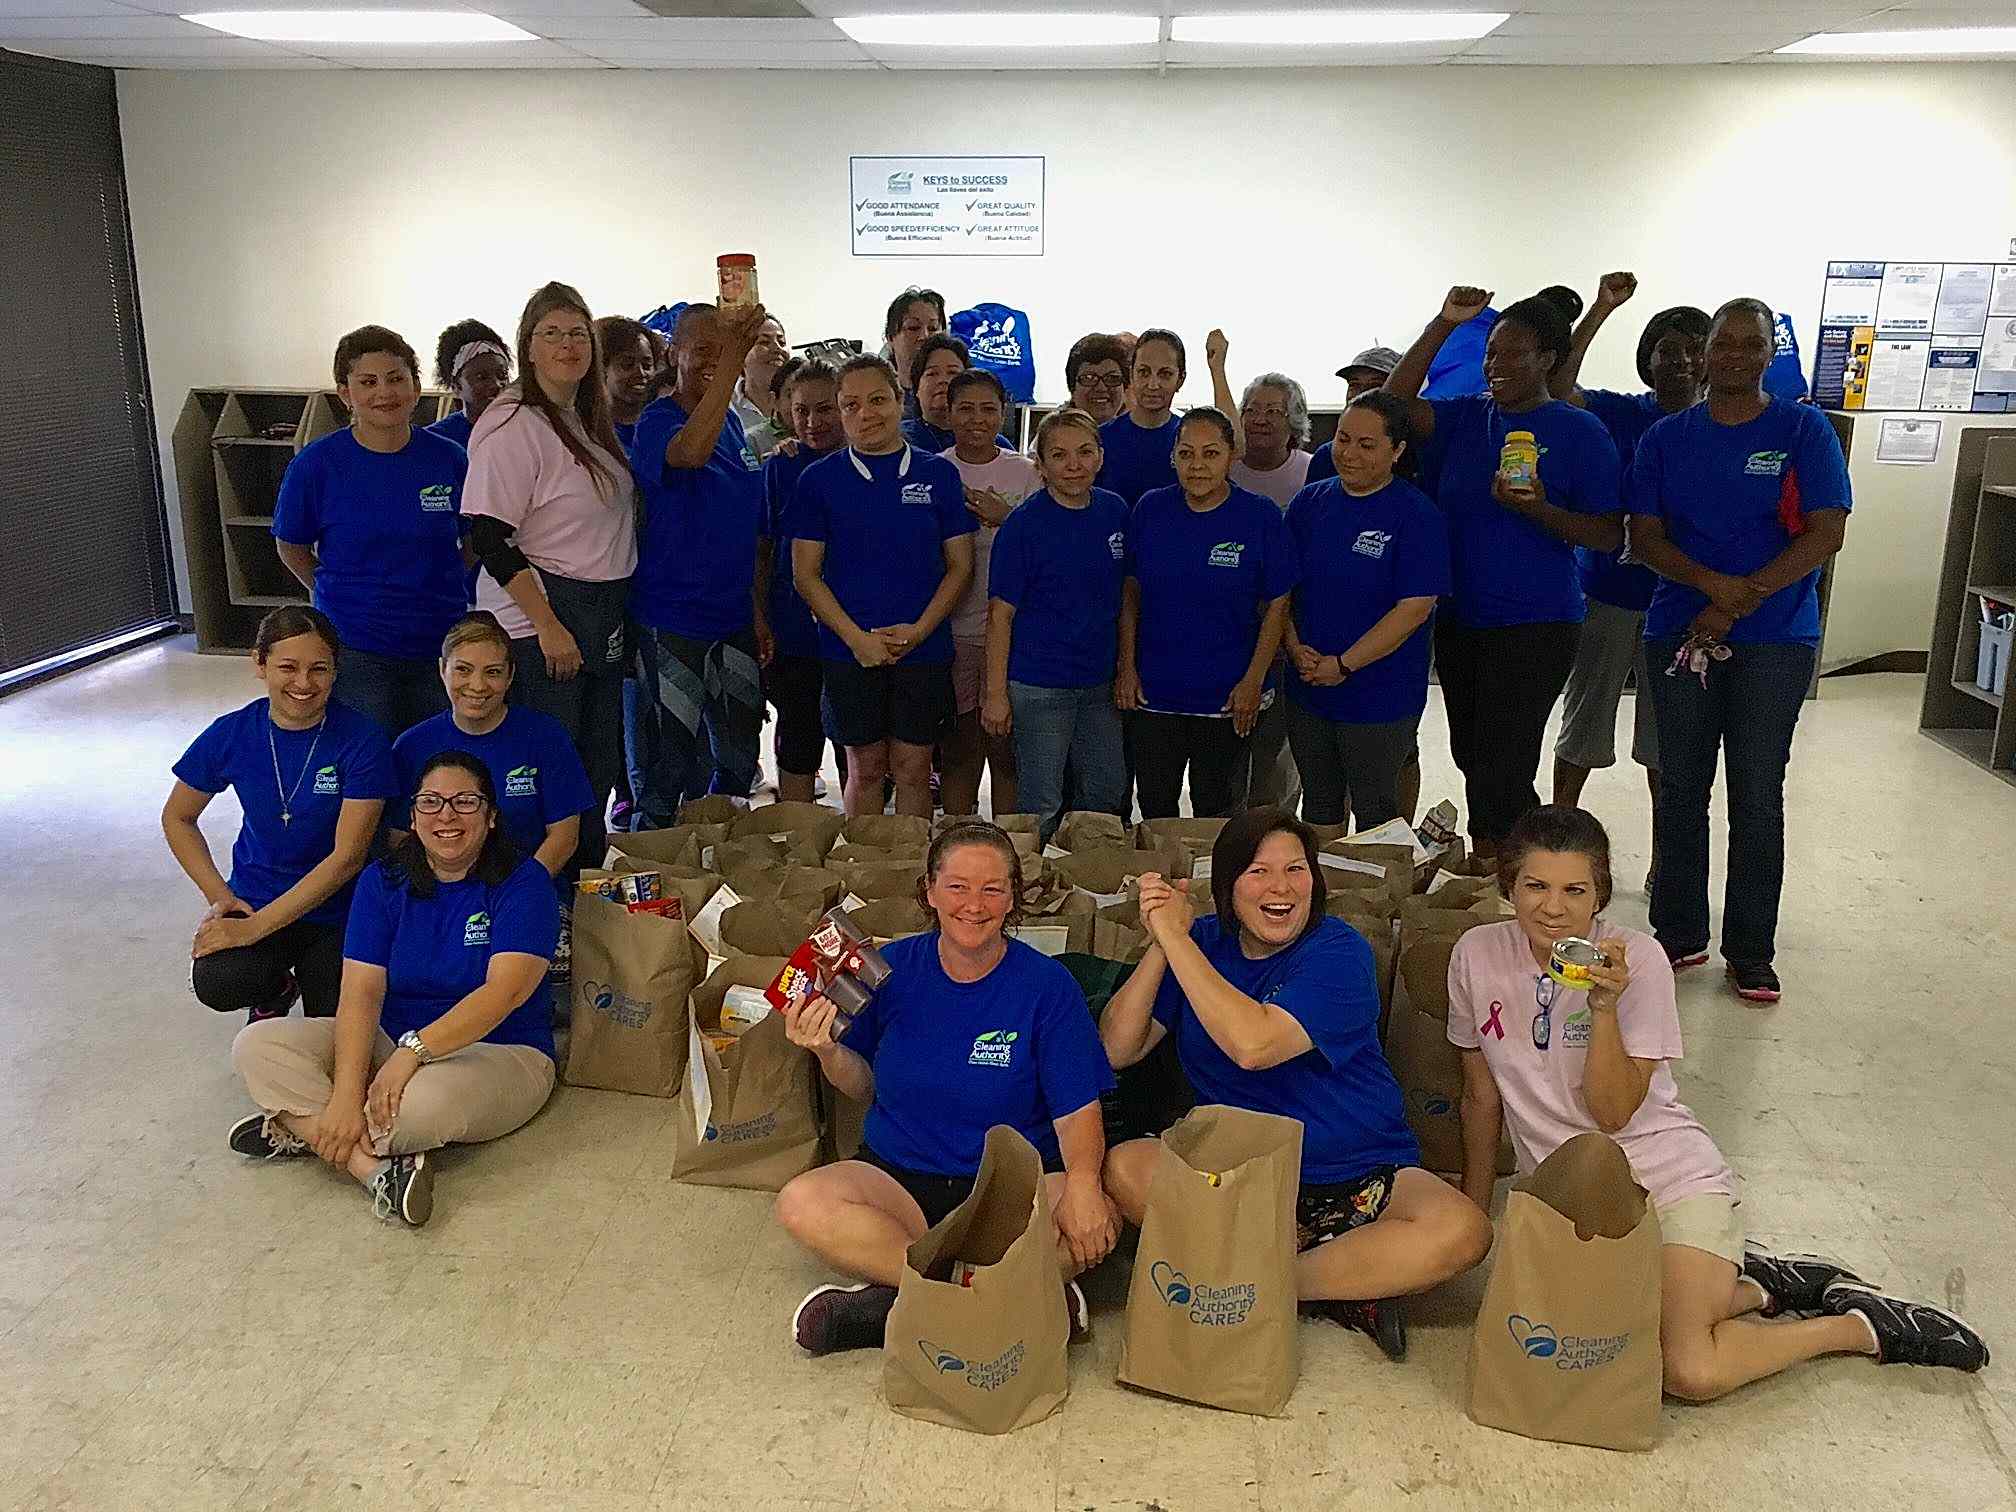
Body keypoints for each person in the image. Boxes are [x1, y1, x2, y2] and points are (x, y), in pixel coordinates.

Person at [1451, 806, 1988, 1392]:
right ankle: (1762, 1287)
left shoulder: (1641, 961)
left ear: (1601, 894)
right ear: (1509, 885)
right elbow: (1481, 1096)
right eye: (1535, 886)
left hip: (1667, 1181)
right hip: (1571, 1196)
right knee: (1596, 1334)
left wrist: (1604, 1009)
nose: (1554, 908)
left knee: (1686, 1367)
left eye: (1575, 890)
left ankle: (1855, 1327)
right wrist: (1478, 1215)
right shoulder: (1477, 955)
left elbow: (1612, 1114)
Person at [1102, 810, 1493, 1360]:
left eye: (1296, 869)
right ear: (1227, 885)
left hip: (1357, 1171)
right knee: (1125, 1169)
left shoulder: (1339, 952)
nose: (1280, 888)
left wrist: (1179, 944)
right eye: (1258, 872)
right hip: (1237, 1176)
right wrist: (1164, 943)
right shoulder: (1203, 942)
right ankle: (1350, 1286)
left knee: (1462, 1230)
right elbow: (1119, 1048)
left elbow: (1254, 1045)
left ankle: (1267, 1282)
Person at [775, 821, 1118, 1354]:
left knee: (1095, 1219)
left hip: (1006, 1191)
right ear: (930, 891)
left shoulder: (1047, 986)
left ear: (1013, 899)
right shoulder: (891, 970)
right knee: (801, 1202)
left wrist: (1084, 1185)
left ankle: (897, 1303)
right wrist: (826, 1050)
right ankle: (1011, 1300)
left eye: (992, 888)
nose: (974, 904)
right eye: (957, 886)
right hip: (898, 1181)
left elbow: (1077, 1109)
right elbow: (862, 1085)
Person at [226, 751, 562, 1229]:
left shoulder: (524, 884)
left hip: (501, 1052)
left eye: (465, 802)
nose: (446, 815)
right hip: (390, 1043)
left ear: (491, 817)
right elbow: (360, 993)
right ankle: (373, 1170)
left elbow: (502, 994)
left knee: (421, 1106)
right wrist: (345, 1094)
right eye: (430, 802)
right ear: (413, 817)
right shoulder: (382, 881)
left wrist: (412, 1054)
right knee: (257, 1045)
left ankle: (295, 1123)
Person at [1629, 298, 1852, 1004]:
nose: (1729, 355)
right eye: (1718, 344)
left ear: (1766, 354)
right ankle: (1678, 933)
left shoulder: (1802, 430)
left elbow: (1825, 533)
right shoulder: (1667, 438)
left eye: (1746, 344)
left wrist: (1743, 597)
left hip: (1775, 639)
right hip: (1680, 629)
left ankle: (1751, 949)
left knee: (1757, 794)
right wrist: (1710, 589)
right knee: (1681, 787)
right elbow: (1647, 535)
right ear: (1703, 354)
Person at [1385, 287, 1623, 870]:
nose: (1498, 366)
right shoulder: (1465, 416)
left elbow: (1608, 534)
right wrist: (1442, 323)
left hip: (1537, 623)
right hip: (1462, 618)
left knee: (1505, 761)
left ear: (1549, 359)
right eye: (1492, 353)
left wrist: (1539, 509)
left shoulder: (1578, 430)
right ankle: (1502, 860)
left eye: (1515, 354)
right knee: (1470, 752)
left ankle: (1514, 871)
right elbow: (1389, 408)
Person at [462, 282, 634, 879]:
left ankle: (581, 903)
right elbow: (486, 536)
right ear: (528, 347)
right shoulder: (515, 421)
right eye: (551, 333)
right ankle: (535, 907)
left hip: (596, 610)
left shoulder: (580, 418)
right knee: (546, 779)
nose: (567, 345)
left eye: (578, 333)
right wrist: (548, 625)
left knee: (593, 768)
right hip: (544, 621)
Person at [1549, 274, 1711, 868]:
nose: (1685, 361)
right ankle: (1559, 845)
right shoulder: (1621, 413)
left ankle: (1666, 861)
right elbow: (1561, 384)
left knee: (1667, 740)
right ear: (1651, 358)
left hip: (1682, 600)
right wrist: (1601, 309)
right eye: (1671, 349)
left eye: (1698, 349)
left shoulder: (1715, 427)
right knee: (1585, 721)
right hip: (1610, 592)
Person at [164, 607, 396, 1022]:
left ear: (336, 671)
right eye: (288, 667)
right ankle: (276, 990)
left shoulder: (363, 740)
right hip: (257, 897)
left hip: (339, 908)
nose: (303, 683)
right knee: (218, 981)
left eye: (319, 669)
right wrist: (222, 900)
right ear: (259, 663)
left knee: (332, 1022)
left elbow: (347, 859)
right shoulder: (233, 732)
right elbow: (178, 818)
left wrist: (256, 929)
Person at [791, 355, 975, 818]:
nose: (866, 413)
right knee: (866, 766)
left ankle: (911, 873)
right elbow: (805, 574)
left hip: (924, 648)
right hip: (848, 650)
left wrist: (918, 631)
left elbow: (960, 566)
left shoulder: (938, 475)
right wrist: (857, 640)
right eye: (851, 405)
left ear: (900, 400)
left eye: (877, 400)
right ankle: (865, 870)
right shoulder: (818, 481)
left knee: (914, 767)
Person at [273, 325, 469, 735]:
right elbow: (291, 545)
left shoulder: (449, 459)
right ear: (346, 394)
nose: (385, 393)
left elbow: (474, 539)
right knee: (372, 767)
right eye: (368, 382)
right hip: (358, 645)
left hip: (440, 641)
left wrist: (446, 580)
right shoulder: (317, 466)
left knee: (435, 764)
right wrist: (331, 591)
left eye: (396, 379)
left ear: (416, 386)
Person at [629, 300, 772, 825]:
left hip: (732, 622)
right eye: (704, 349)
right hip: (673, 623)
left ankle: (721, 874)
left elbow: (753, 533)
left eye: (727, 347)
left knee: (738, 761)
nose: (718, 358)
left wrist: (757, 615)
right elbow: (689, 453)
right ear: (675, 353)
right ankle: (649, 886)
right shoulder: (657, 421)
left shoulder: (736, 427)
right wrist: (733, 360)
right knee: (669, 766)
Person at [1283, 391, 1450, 830]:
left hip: (1379, 694)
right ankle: (1321, 896)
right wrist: (1295, 647)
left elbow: (1414, 608)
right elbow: (1282, 590)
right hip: (1307, 685)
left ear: (1397, 451)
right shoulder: (1309, 503)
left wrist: (1344, 664)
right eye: (1342, 439)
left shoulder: (1416, 515)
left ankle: (1374, 897)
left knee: (1375, 809)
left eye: (1366, 444)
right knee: (1318, 804)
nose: (1349, 454)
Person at [1119, 408, 1295, 819]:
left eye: (1211, 453)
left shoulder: (1259, 515)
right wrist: (1126, 666)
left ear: (1232, 455)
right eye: (1186, 454)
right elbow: (1130, 593)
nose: (1197, 465)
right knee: (1156, 808)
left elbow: (1278, 603)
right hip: (1155, 694)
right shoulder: (1150, 510)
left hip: (1227, 697)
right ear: (1173, 458)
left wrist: (1253, 680)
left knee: (1216, 810)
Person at [983, 408, 1130, 840]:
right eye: (1060, 455)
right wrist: (995, 694)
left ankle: (1097, 889)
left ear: (1100, 457)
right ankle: (1033, 890)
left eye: (1084, 452)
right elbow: (1000, 614)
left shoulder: (1115, 512)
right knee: (1042, 799)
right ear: (1041, 465)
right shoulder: (1023, 526)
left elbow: (1125, 598)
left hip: (1098, 683)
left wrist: (1125, 667)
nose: (1074, 464)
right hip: (1039, 685)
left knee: (1106, 792)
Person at [391, 612, 593, 878]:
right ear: (442, 670)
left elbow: (564, 837)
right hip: (439, 895)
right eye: (463, 670)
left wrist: (520, 892)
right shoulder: (411, 746)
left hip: (528, 888)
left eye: (493, 672)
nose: (477, 685)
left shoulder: (547, 737)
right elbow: (399, 838)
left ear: (510, 676)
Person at [939, 368, 1036, 815]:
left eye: (988, 409)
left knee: (1007, 753)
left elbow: (1050, 541)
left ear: (1004, 413)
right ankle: (958, 839)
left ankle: (1010, 850)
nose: (976, 419)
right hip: (952, 632)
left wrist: (1007, 517)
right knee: (960, 749)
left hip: (1014, 635)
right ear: (948, 412)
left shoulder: (1027, 473)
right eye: (965, 408)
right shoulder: (935, 471)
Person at [756, 359, 847, 804]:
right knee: (798, 730)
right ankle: (797, 834)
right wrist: (760, 617)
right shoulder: (781, 466)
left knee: (857, 741)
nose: (813, 423)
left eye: (826, 409)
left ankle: (866, 845)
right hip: (793, 626)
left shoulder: (868, 462)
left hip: (857, 628)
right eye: (802, 411)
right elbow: (764, 546)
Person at [1096, 328, 1189, 505]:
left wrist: (1217, 370)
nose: (1153, 385)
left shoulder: (1191, 439)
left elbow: (1236, 449)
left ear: (1180, 379)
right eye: (1144, 372)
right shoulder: (1101, 439)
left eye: (1165, 374)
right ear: (1131, 374)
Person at [1306, 345, 1403, 486]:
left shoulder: (1417, 456)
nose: (1362, 393)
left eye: (1375, 385)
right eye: (1354, 384)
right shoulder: (1326, 456)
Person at [1228, 372, 1314, 510]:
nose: (1260, 420)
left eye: (1273, 411)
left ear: (1294, 420)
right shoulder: (1223, 469)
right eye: (1252, 410)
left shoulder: (1312, 468)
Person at [427, 319, 510, 450]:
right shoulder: (435, 442)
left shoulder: (526, 430)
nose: (496, 385)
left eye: (502, 375)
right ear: (456, 386)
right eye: (481, 377)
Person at [731, 312, 792, 459]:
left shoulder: (803, 403)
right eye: (764, 342)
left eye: (781, 342)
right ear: (740, 354)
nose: (777, 348)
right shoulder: (726, 409)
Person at [596, 313, 658, 452]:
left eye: (647, 365)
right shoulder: (591, 433)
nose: (641, 373)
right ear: (602, 369)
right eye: (627, 365)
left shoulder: (663, 422)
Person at [884, 287, 947, 416]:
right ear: (890, 338)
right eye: (913, 328)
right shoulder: (880, 397)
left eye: (933, 328)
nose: (924, 336)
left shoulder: (959, 394)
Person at [1064, 333, 1131, 424]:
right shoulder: (1053, 433)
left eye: (1111, 378)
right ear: (1072, 388)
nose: (1101, 388)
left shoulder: (1139, 432)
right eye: (1089, 378)